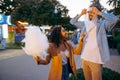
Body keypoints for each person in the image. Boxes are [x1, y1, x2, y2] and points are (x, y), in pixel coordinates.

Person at [70, 5, 119, 80]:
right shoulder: (84, 24)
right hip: (84, 58)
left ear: (97, 13)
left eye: (93, 12)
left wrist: (100, 13)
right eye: (89, 12)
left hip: (96, 59)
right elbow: (72, 22)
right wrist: (81, 14)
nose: (90, 14)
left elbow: (115, 20)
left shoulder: (102, 24)